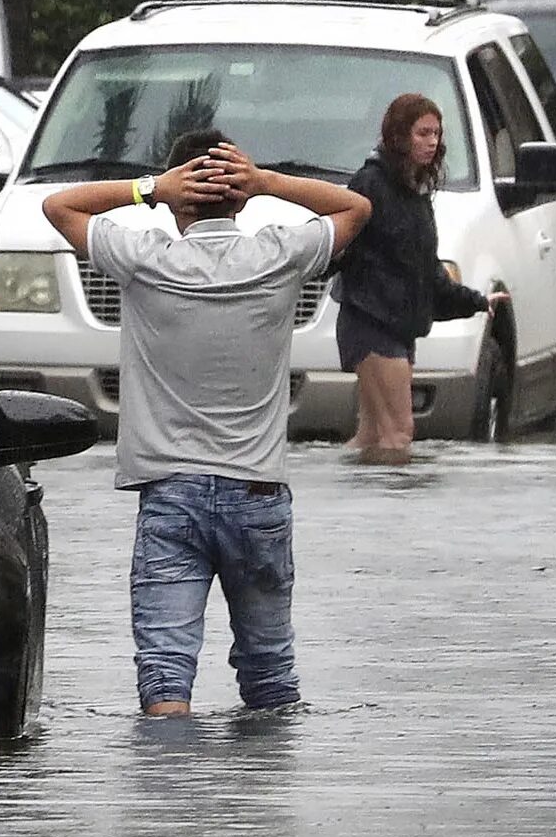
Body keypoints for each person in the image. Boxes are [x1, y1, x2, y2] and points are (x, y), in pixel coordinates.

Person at [41, 130, 370, 716]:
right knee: (271, 676)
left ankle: (168, 802)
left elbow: (57, 205)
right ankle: (267, 803)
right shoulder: (280, 254)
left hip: (171, 497)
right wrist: (266, 181)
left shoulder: (144, 259)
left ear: (177, 197)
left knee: (166, 679)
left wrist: (149, 190)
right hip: (259, 495)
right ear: (239, 198)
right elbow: (356, 208)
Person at [335, 93, 507, 463]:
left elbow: (427, 272)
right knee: (399, 433)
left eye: (436, 134)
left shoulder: (415, 193)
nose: (432, 142)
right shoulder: (370, 184)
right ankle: (396, 515)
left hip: (398, 326)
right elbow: (339, 243)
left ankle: (358, 505)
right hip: (370, 323)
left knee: (371, 435)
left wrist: (476, 301)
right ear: (399, 136)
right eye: (422, 133)